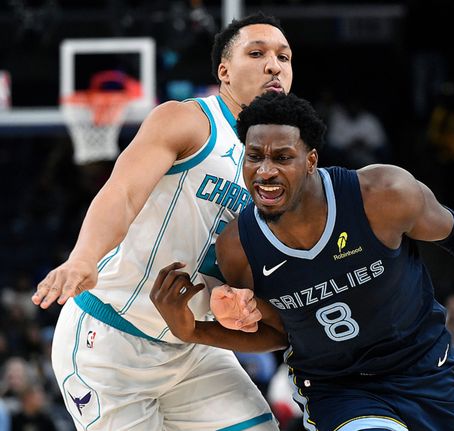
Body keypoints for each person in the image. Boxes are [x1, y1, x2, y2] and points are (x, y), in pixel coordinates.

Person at [151, 92, 454, 431]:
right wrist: (194, 330)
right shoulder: (239, 247)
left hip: (425, 370)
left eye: (282, 156)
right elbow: (278, 333)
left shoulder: (381, 195)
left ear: (311, 160)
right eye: (254, 156)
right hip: (338, 388)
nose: (265, 170)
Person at [31, 13, 293, 430]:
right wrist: (83, 257)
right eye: (257, 53)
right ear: (224, 71)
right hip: (111, 342)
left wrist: (244, 304)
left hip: (191, 345)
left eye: (284, 57)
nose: (274, 66)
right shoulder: (189, 121)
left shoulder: (284, 164)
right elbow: (123, 193)